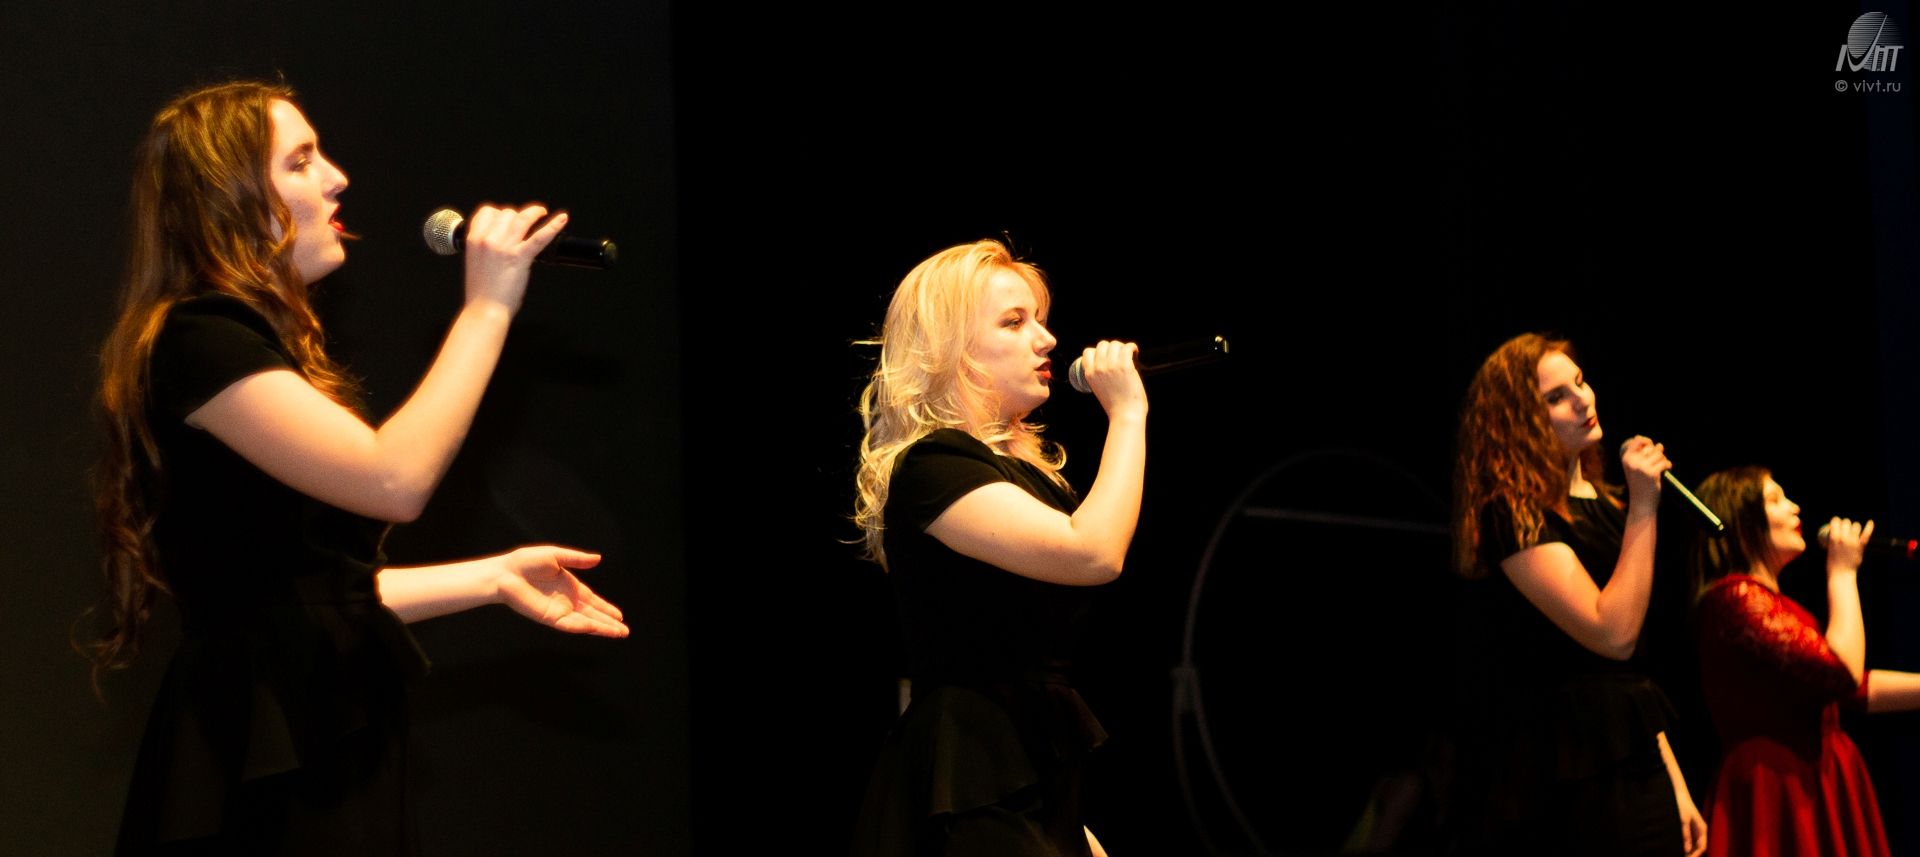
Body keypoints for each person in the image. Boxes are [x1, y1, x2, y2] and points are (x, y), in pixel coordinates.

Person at [87, 81, 628, 855]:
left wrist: (492, 577)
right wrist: (487, 308)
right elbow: (394, 481)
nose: (337, 177)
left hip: (303, 729)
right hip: (256, 748)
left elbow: (300, 597)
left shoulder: (236, 343)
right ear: (228, 200)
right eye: (300, 161)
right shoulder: (198, 337)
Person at [849, 239, 1144, 856]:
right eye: (1014, 322)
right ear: (949, 349)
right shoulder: (933, 465)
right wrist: (1127, 415)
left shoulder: (1028, 477)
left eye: (1040, 319)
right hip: (969, 773)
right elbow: (1094, 553)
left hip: (1024, 774)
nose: (1047, 339)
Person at [1449, 332, 1707, 856]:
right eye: (1556, 397)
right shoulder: (1513, 514)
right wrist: (1645, 506)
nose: (1584, 400)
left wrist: (1675, 783)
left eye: (1581, 382)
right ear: (1519, 421)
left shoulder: (1608, 504)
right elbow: (1612, 634)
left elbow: (1631, 677)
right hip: (1572, 776)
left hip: (1638, 761)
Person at [1690, 467, 1920, 856]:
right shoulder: (1736, 597)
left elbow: (1852, 688)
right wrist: (1842, 574)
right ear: (1741, 520)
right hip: (1777, 782)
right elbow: (1842, 672)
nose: (1794, 507)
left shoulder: (1778, 606)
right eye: (1775, 499)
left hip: (1818, 773)